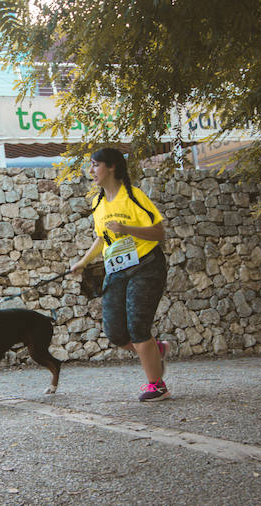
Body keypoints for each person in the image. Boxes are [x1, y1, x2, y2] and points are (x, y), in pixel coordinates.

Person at [69, 148, 171, 401]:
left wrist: (126, 228)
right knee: (115, 332)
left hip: (146, 266)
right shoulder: (98, 202)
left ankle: (157, 386)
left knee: (138, 327)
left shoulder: (134, 197)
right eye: (90, 166)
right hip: (116, 268)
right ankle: (155, 351)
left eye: (95, 165)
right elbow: (102, 238)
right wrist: (83, 262)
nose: (91, 171)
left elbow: (159, 234)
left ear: (111, 167)